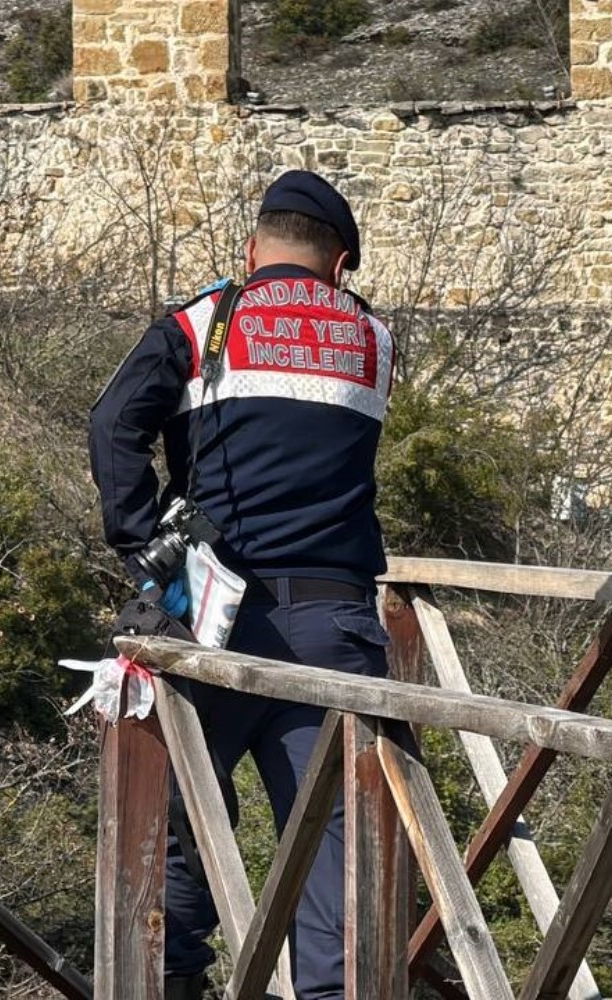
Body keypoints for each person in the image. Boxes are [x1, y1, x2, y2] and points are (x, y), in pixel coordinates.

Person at [88, 170, 395, 1000]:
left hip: (209, 617)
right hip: (337, 628)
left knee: (178, 829)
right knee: (338, 853)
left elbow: (113, 423)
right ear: (339, 268)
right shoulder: (375, 340)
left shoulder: (201, 324)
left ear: (253, 250)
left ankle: (170, 981)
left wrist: (144, 542)